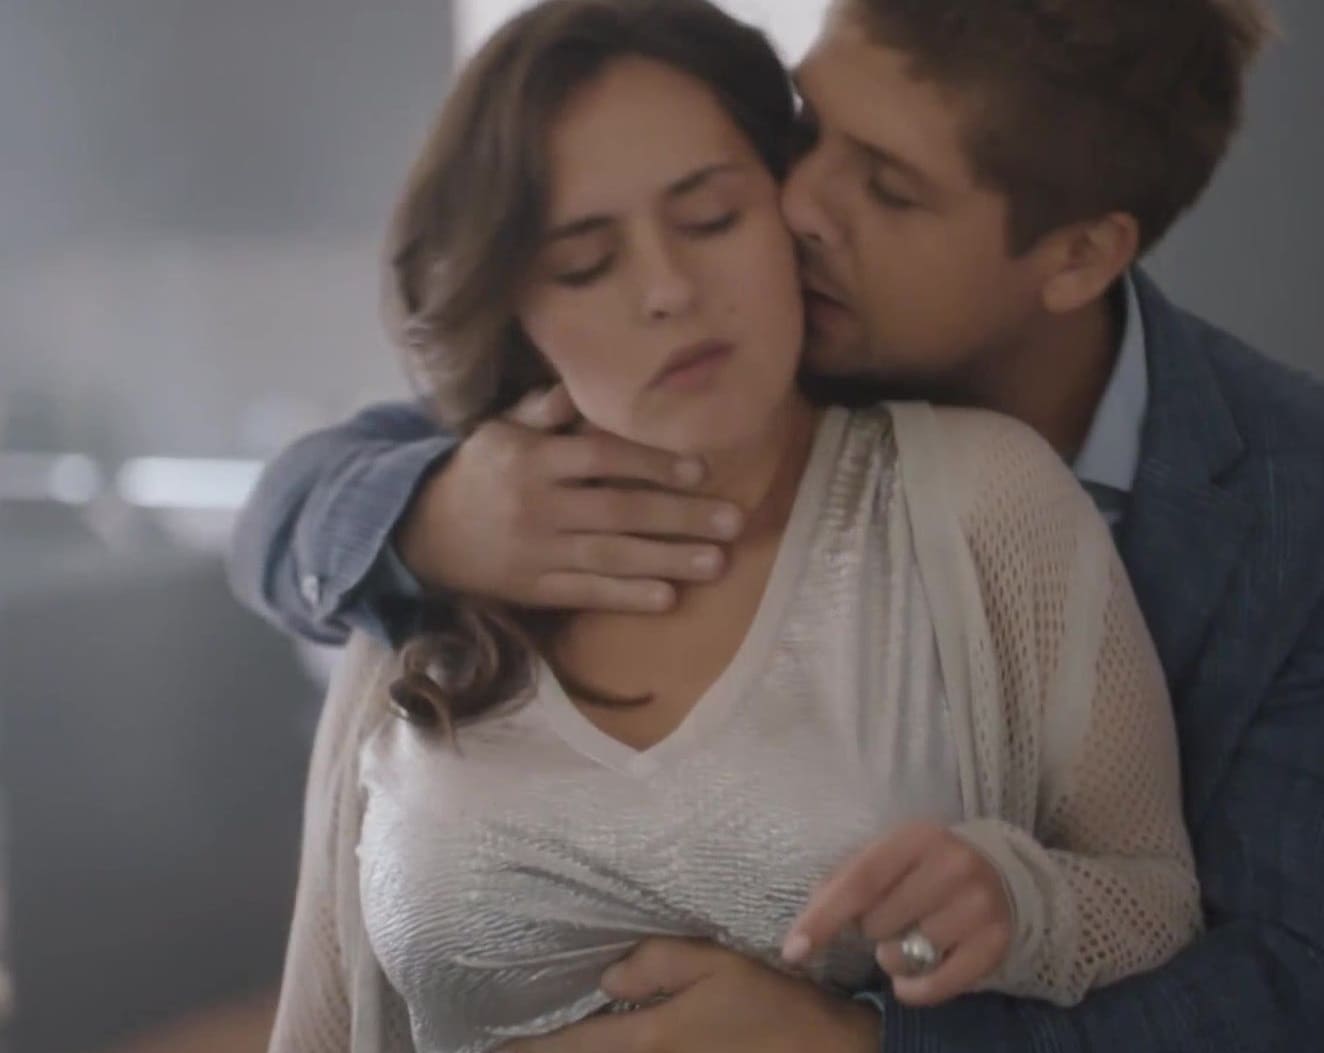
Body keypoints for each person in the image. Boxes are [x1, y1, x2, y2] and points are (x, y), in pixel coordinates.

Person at [236, 1, 1324, 1051]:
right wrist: (425, 524)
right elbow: (315, 502)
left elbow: (1286, 985)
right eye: (808, 132)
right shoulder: (658, 392)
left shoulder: (1265, 508)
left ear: (1077, 256)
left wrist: (869, 1042)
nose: (799, 204)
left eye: (888, 187)